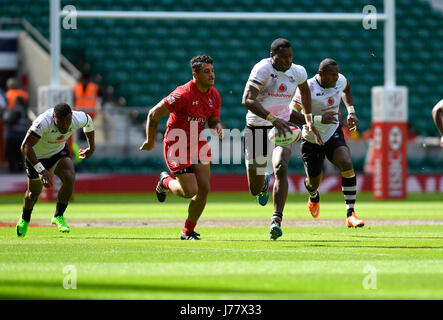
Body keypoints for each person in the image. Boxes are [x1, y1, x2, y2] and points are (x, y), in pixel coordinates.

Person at [241, 38, 323, 240]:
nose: (288, 61)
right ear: (272, 56)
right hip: (257, 126)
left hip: (283, 126)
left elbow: (305, 92)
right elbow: (247, 99)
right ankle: (262, 185)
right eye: (283, 57)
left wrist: (308, 119)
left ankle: (276, 220)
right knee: (254, 188)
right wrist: (272, 118)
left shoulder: (298, 71)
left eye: (290, 57)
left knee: (281, 167)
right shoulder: (262, 69)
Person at [140, 55, 223, 240]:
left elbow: (213, 119)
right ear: (195, 75)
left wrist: (216, 125)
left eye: (212, 71)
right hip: (177, 144)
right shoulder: (182, 94)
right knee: (190, 192)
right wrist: (149, 140)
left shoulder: (214, 95)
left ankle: (188, 231)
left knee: (205, 189)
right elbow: (153, 113)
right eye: (206, 72)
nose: (211, 75)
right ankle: (165, 182)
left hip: (198, 142)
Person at [290, 58, 364, 228]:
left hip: (332, 133)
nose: (337, 78)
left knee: (346, 161)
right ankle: (313, 194)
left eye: (337, 74)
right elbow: (292, 115)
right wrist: (319, 119)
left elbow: (347, 88)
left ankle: (350, 214)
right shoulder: (307, 88)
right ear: (321, 74)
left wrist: (351, 111)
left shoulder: (339, 81)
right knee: (314, 182)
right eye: (332, 75)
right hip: (311, 138)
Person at [16, 103, 95, 238]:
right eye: (61, 123)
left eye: (68, 122)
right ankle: (25, 218)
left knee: (70, 177)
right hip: (36, 157)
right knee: (33, 192)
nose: (65, 126)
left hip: (58, 153)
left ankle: (58, 216)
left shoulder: (77, 118)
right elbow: (25, 146)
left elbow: (89, 122)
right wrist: (41, 170)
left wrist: (91, 147)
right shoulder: (43, 122)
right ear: (54, 118)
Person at [3, 96, 31, 172]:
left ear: (17, 101)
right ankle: (20, 168)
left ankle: (13, 169)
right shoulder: (25, 110)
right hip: (21, 136)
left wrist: (5, 117)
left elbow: (10, 121)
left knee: (11, 154)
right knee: (19, 154)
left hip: (14, 136)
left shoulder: (17, 110)